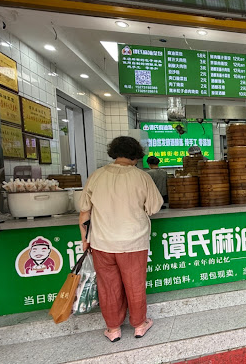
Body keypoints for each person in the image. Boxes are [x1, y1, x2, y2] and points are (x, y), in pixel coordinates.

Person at [79, 136, 163, 342]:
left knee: (108, 286)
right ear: (136, 155)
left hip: (102, 242)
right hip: (134, 242)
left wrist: (85, 240)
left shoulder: (96, 176)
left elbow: (84, 212)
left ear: (114, 153)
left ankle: (113, 329)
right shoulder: (142, 177)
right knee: (135, 284)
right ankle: (139, 325)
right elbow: (154, 207)